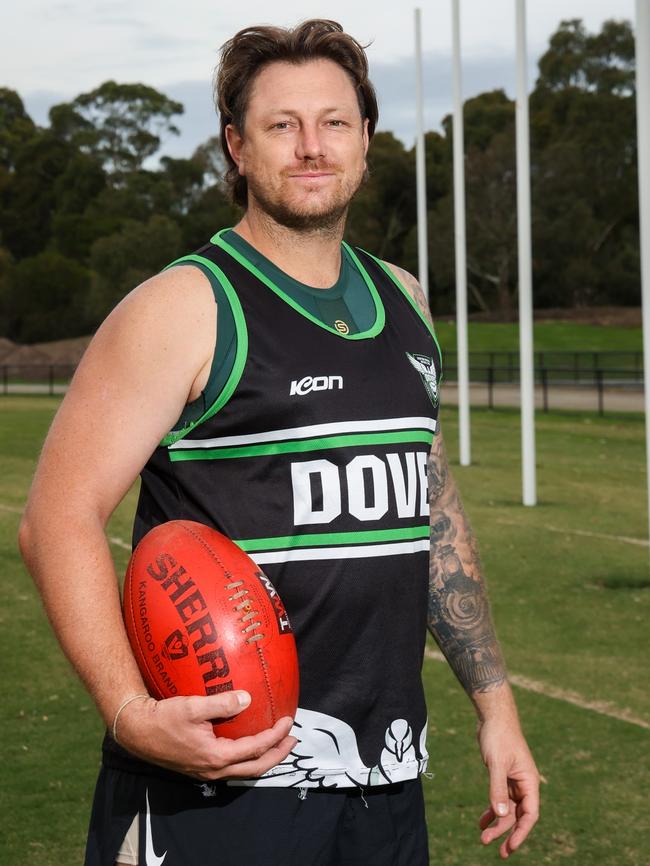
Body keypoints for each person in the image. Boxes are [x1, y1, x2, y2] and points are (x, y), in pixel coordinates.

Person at [19, 18, 539, 866]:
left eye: (334, 122)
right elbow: (57, 517)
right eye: (280, 125)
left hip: (384, 778)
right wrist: (130, 713)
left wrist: (497, 707)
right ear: (236, 146)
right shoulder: (184, 307)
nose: (311, 146)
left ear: (366, 140)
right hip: (220, 782)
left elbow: (431, 513)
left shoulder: (403, 299)